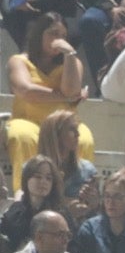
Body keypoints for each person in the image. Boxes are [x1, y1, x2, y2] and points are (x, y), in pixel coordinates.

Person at [2, 14, 97, 192]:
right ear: (39, 35)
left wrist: (69, 54)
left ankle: (79, 193)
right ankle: (24, 193)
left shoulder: (73, 62)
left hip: (63, 125)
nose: (58, 40)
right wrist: (66, 98)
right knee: (23, 136)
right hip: (28, 121)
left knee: (84, 138)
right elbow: (26, 91)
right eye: (53, 34)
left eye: (62, 35)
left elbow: (71, 90)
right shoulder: (19, 61)